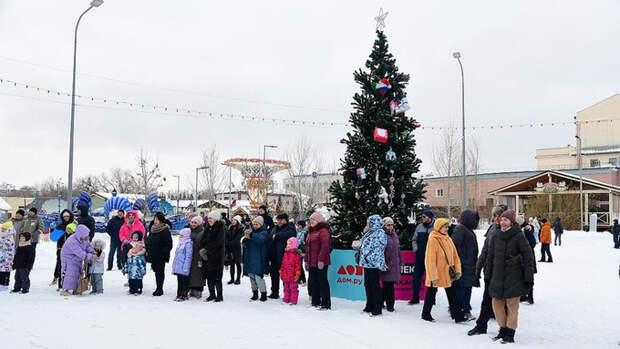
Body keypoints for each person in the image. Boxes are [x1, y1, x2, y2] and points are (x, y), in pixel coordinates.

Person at [485, 210, 535, 344]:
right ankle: (502, 328)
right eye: (501, 220)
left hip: (514, 276)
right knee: (496, 303)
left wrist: (527, 274)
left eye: (505, 220)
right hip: (497, 275)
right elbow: (490, 256)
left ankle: (510, 332)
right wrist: (487, 274)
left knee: (512, 305)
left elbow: (528, 255)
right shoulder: (496, 235)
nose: (503, 222)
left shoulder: (519, 236)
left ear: (511, 222)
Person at [468, 205, 505, 336]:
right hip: (490, 271)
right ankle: (481, 326)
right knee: (487, 300)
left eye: (499, 216)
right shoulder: (492, 229)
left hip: (502, 273)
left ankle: (505, 329)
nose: (496, 218)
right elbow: (485, 250)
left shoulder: (507, 231)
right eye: (494, 216)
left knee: (500, 301)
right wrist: (478, 268)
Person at [421, 218, 468, 323]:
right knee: (431, 294)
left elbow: (455, 256)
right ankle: (425, 314)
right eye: (445, 227)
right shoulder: (433, 239)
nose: (447, 229)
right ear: (439, 227)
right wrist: (433, 276)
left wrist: (458, 270)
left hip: (447, 273)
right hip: (437, 273)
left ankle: (457, 316)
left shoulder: (448, 238)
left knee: (452, 295)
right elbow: (430, 259)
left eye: (447, 227)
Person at [451, 209, 480, 320]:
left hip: (470, 265)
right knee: (462, 289)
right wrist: (460, 261)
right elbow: (454, 246)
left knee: (467, 288)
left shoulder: (468, 230)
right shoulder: (461, 229)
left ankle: (466, 309)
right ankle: (457, 310)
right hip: (463, 265)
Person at [359, 215, 388, 317]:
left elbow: (376, 247)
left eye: (369, 222)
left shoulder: (380, 233)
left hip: (373, 263)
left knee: (374, 286)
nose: (367, 224)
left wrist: (366, 254)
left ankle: (377, 308)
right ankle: (369, 305)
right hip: (367, 263)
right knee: (368, 285)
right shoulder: (370, 232)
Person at [306, 212, 331, 310]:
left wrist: (321, 260)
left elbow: (325, 246)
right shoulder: (310, 232)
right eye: (310, 220)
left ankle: (326, 303)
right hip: (312, 261)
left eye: (314, 220)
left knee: (322, 281)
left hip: (321, 262)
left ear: (319, 221)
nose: (311, 221)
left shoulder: (323, 231)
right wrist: (306, 260)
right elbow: (307, 248)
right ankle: (315, 301)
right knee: (313, 282)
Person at [60, 225, 94, 296]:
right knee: (70, 273)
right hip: (68, 257)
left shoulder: (85, 239)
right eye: (85, 235)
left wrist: (92, 251)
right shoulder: (72, 240)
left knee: (78, 272)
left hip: (76, 257)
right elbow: (80, 253)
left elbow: (88, 246)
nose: (86, 236)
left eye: (87, 235)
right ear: (80, 234)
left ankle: (76, 288)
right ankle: (65, 289)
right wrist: (90, 256)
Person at [268, 213, 297, 299]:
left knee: (286, 276)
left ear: (285, 220)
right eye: (278, 220)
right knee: (273, 275)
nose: (279, 222)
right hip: (274, 256)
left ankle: (287, 294)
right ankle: (274, 292)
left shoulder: (290, 228)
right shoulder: (275, 228)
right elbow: (270, 237)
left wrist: (276, 236)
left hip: (285, 257)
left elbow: (289, 235)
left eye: (281, 220)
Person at [145, 212, 173, 296]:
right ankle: (158, 287)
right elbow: (149, 240)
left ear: (161, 220)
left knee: (160, 272)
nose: (155, 221)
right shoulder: (152, 229)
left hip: (160, 255)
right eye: (155, 219)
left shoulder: (164, 230)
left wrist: (163, 252)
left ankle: (159, 288)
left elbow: (169, 244)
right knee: (156, 271)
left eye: (157, 219)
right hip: (153, 254)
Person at [200, 211, 226, 302]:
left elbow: (217, 242)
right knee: (209, 276)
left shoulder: (220, 228)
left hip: (216, 257)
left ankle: (219, 296)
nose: (209, 220)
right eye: (209, 218)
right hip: (207, 257)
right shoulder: (207, 227)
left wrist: (206, 249)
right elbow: (203, 239)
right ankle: (212, 294)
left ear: (216, 219)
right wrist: (203, 248)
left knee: (217, 277)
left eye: (211, 218)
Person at [409, 209, 434, 304]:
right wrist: (416, 250)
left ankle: (432, 299)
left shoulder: (436, 228)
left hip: (431, 258)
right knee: (416, 278)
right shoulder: (419, 227)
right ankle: (415, 298)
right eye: (422, 216)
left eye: (424, 217)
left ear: (430, 217)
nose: (422, 218)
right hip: (420, 257)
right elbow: (414, 239)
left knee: (432, 279)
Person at [243, 216, 270, 302]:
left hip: (259, 259)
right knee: (252, 277)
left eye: (256, 224)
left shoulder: (264, 232)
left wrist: (251, 235)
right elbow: (244, 242)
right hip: (250, 258)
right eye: (254, 224)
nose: (254, 225)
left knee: (258, 277)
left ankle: (263, 293)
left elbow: (260, 240)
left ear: (261, 224)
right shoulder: (252, 232)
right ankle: (255, 293)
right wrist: (245, 239)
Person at [380, 217, 403, 313]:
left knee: (388, 285)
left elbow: (398, 250)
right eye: (388, 225)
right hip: (387, 264)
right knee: (388, 285)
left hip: (394, 264)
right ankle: (390, 306)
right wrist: (384, 261)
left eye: (391, 224)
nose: (390, 227)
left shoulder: (394, 235)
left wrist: (400, 261)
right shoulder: (382, 235)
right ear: (384, 225)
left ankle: (380, 302)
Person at [517, 215, 537, 304]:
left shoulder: (526, 230)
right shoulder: (522, 230)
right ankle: (524, 295)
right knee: (522, 276)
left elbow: (532, 243)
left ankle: (530, 296)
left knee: (528, 276)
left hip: (528, 257)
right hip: (523, 257)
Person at [172, 228, 193, 301]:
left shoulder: (188, 244)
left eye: (182, 235)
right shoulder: (180, 244)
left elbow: (188, 256)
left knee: (184, 282)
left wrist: (186, 266)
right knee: (179, 281)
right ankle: (179, 294)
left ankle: (184, 294)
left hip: (184, 267)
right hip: (178, 266)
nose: (180, 237)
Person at [188, 215, 206, 298]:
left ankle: (198, 290)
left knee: (199, 273)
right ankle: (191, 289)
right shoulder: (189, 231)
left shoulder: (202, 232)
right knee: (191, 272)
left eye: (195, 223)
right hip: (190, 255)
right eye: (192, 222)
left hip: (198, 255)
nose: (193, 224)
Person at [54, 223, 76, 290]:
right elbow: (59, 245)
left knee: (69, 271)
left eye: (70, 229)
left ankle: (69, 285)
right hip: (62, 255)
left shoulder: (75, 237)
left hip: (71, 256)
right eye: (67, 228)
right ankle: (60, 285)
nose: (68, 230)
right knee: (61, 269)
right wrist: (59, 252)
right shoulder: (63, 236)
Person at [280, 237, 301, 305]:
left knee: (293, 288)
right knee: (286, 288)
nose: (288, 245)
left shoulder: (295, 254)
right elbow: (283, 263)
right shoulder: (285, 253)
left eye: (290, 244)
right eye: (287, 244)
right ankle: (286, 299)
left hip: (293, 275)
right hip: (286, 274)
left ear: (294, 245)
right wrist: (281, 271)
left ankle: (293, 300)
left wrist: (297, 274)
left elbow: (298, 265)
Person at [225, 215, 243, 285]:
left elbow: (237, 239)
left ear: (237, 221)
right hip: (230, 248)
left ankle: (238, 278)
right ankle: (232, 278)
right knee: (231, 264)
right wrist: (227, 243)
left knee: (238, 263)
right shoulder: (229, 228)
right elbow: (226, 237)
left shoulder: (240, 229)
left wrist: (229, 243)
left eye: (234, 220)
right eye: (232, 220)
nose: (233, 222)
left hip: (237, 248)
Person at [0, 221, 16, 292]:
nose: (2, 229)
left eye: (4, 228)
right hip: (1, 256)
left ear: (8, 229)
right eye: (2, 228)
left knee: (6, 271)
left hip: (7, 258)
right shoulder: (1, 235)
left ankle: (5, 284)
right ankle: (1, 283)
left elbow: (7, 245)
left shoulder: (10, 237)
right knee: (1, 270)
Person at [296, 220, 307, 285]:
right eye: (298, 225)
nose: (298, 226)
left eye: (299, 225)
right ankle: (299, 279)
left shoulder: (304, 232)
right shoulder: (298, 231)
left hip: (301, 251)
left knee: (300, 266)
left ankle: (304, 280)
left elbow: (301, 241)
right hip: (297, 250)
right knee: (298, 266)